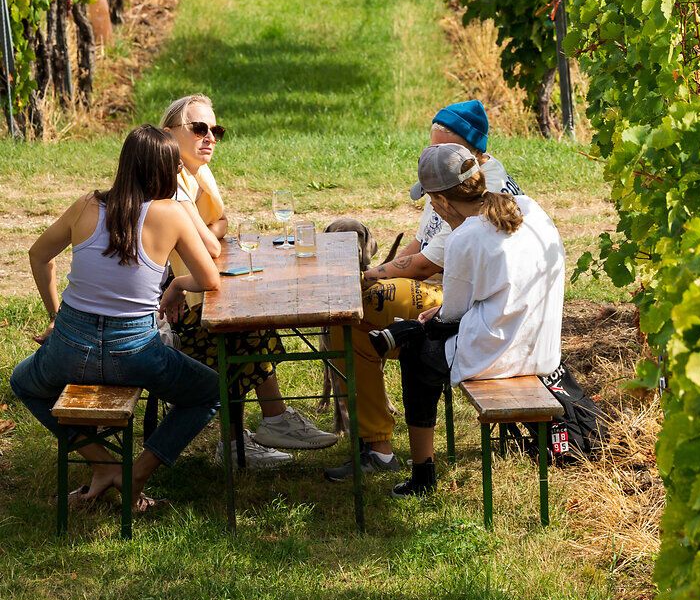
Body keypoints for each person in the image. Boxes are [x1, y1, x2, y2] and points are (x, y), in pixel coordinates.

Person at [9, 125, 221, 515]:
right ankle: (135, 474)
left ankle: (101, 461)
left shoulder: (86, 205)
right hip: (136, 353)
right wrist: (176, 286)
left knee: (24, 383)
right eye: (175, 165)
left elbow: (38, 256)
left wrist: (55, 315)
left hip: (70, 346)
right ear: (163, 170)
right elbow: (210, 279)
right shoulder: (171, 213)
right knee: (209, 391)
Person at [323, 99, 521, 483]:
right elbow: (419, 245)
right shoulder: (454, 175)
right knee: (350, 314)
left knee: (356, 308)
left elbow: (428, 265)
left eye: (440, 147)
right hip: (449, 293)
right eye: (431, 146)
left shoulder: (478, 188)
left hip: (465, 304)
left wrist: (367, 278)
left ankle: (377, 446)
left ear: (470, 151)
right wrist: (379, 277)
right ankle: (375, 441)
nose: (431, 154)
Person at [159, 94, 338, 462]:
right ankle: (259, 430)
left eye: (216, 130)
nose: (210, 137)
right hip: (169, 313)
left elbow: (222, 225)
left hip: (195, 293)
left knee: (249, 321)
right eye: (199, 128)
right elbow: (212, 243)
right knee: (243, 329)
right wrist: (207, 235)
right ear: (169, 132)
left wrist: (205, 233)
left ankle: (252, 433)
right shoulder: (171, 184)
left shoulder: (196, 173)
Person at [391, 142, 565, 498]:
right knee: (425, 335)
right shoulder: (529, 208)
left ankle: (422, 474)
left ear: (441, 202)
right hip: (543, 348)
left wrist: (425, 324)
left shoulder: (464, 237)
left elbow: (452, 317)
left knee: (415, 355)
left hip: (499, 356)